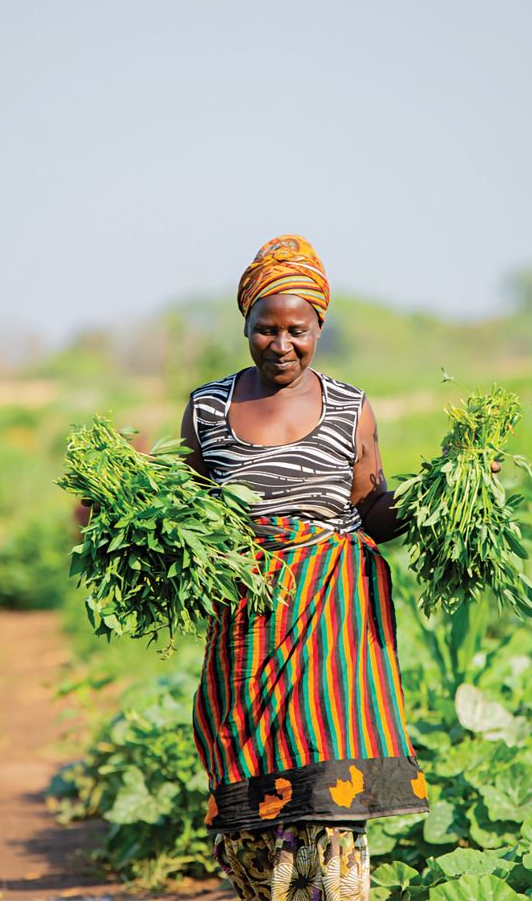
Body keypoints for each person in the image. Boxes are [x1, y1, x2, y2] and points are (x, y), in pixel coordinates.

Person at [178, 235, 428, 901]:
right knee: (254, 809)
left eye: (297, 330)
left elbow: (371, 510)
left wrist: (436, 498)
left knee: (330, 788)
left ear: (319, 327)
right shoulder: (208, 408)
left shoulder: (350, 407)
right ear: (245, 326)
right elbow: (186, 515)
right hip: (248, 623)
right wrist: (115, 513)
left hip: (334, 623)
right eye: (266, 329)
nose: (281, 344)